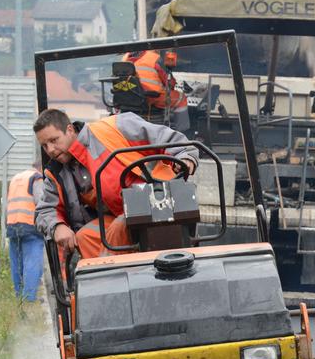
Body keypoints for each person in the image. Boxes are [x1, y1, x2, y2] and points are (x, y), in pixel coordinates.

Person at [33, 108, 198, 259]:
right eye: (45, 146)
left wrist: (186, 157)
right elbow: (44, 210)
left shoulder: (115, 128)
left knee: (118, 227)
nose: (51, 150)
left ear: (69, 130)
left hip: (159, 202)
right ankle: (99, 285)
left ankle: (114, 281)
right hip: (119, 217)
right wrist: (57, 226)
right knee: (86, 236)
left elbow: (171, 140)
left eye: (54, 140)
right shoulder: (56, 172)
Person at [5, 160, 46, 302]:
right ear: (42, 168)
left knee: (17, 262)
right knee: (32, 262)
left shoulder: (17, 178)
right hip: (30, 227)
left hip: (12, 224)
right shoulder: (37, 178)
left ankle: (19, 296)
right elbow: (42, 202)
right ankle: (29, 299)